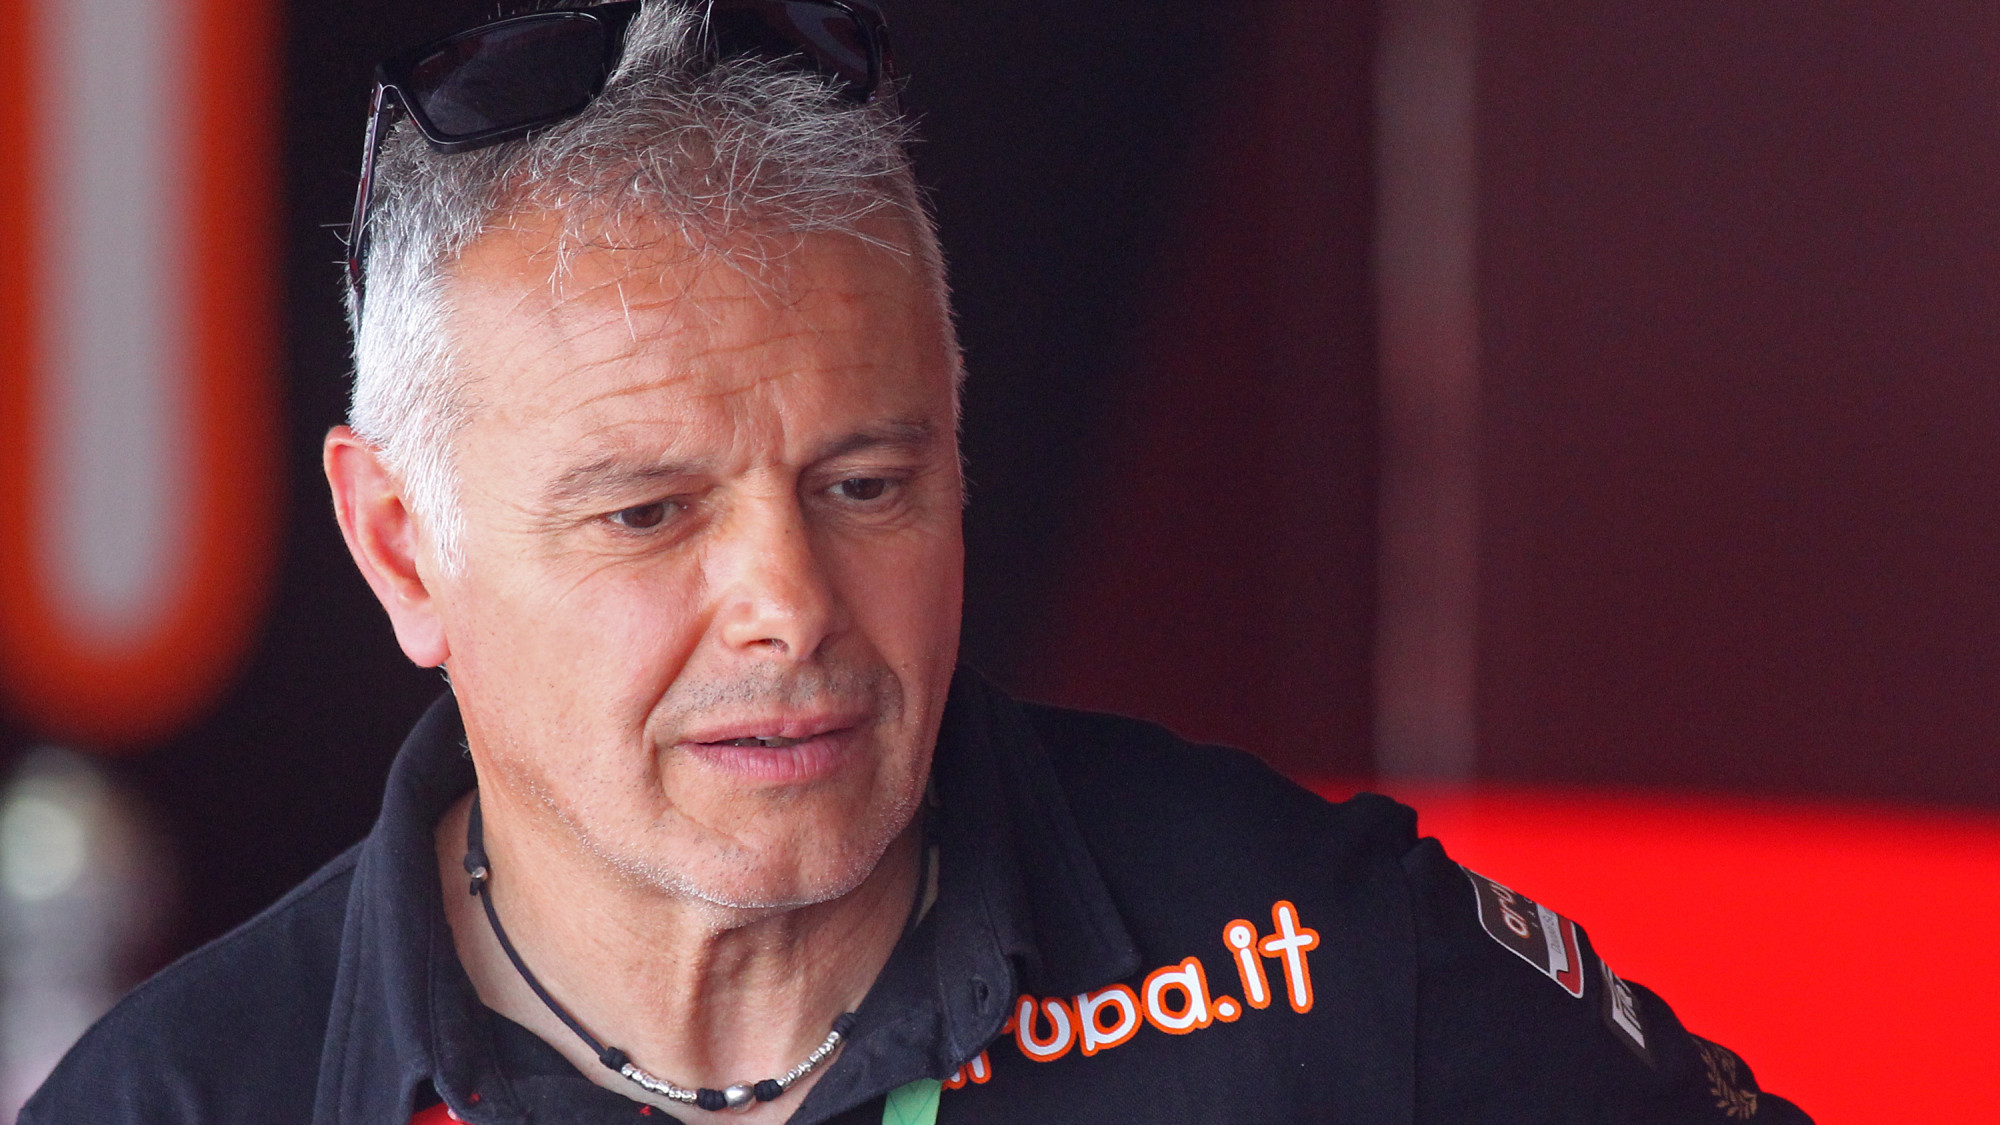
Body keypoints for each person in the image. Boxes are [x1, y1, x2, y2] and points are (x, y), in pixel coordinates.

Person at [24, 2, 1809, 1122]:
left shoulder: (1319, 964)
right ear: (402, 546)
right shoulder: (184, 1099)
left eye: (867, 483)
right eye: (650, 512)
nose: (790, 603)